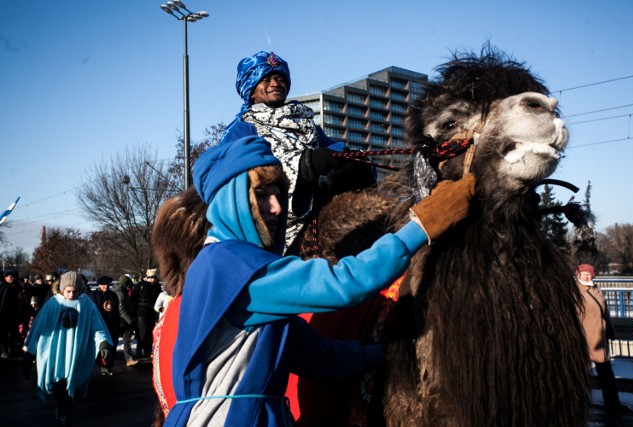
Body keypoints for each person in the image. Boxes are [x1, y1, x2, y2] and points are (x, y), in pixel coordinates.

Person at [153, 135, 475, 426]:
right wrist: (421, 226)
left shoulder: (232, 271)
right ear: (232, 202)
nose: (278, 207)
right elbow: (345, 282)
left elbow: (319, 357)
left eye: (278, 194)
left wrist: (390, 353)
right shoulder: (231, 265)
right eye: (262, 196)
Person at [222, 51, 376, 251]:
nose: (275, 83)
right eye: (266, 79)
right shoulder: (241, 129)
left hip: (318, 216)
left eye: (279, 78)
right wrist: (303, 164)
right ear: (251, 90)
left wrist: (350, 157)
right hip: (271, 227)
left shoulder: (305, 122)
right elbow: (243, 176)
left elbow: (331, 148)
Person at [22, 271, 113, 427]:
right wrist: (29, 354)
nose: (71, 295)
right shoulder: (53, 304)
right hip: (54, 353)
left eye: (74, 291)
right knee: (60, 387)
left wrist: (103, 344)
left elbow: (97, 328)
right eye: (68, 291)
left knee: (70, 388)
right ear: (62, 289)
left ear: (80, 290)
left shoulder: (86, 304)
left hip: (76, 354)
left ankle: (65, 412)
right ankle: (63, 412)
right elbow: (38, 328)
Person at [576, 263, 628, 417]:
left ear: (593, 275)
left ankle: (612, 404)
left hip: (599, 338)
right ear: (577, 275)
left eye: (589, 273)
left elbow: (605, 313)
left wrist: (610, 329)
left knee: (606, 375)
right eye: (583, 273)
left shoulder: (596, 290)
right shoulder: (574, 293)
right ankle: (578, 405)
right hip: (583, 339)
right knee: (581, 375)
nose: (586, 276)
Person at [88, 275, 120, 375]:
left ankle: (109, 366)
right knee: (103, 346)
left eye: (107, 285)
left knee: (112, 346)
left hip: (111, 324)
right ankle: (102, 366)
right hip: (100, 325)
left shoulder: (113, 295)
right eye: (103, 285)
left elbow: (116, 311)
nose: (105, 287)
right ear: (99, 285)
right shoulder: (93, 295)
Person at [132, 268, 162, 358]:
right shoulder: (140, 285)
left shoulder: (157, 286)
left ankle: (148, 351)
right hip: (141, 311)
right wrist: (134, 312)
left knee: (150, 331)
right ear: (147, 277)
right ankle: (139, 349)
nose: (152, 280)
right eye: (151, 278)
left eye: (154, 278)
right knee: (143, 331)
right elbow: (134, 299)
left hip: (152, 311)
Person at [112, 275, 139, 366]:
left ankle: (126, 358)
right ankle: (128, 358)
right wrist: (130, 320)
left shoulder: (121, 291)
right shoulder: (120, 293)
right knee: (126, 339)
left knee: (123, 339)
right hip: (122, 320)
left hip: (120, 319)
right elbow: (121, 309)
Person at [0, 269, 20, 358]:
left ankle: (12, 350)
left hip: (14, 315)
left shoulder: (16, 287)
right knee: (3, 333)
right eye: (9, 276)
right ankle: (4, 350)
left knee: (13, 333)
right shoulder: (4, 287)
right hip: (4, 315)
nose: (11, 278)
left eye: (13, 276)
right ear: (5, 277)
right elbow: (3, 302)